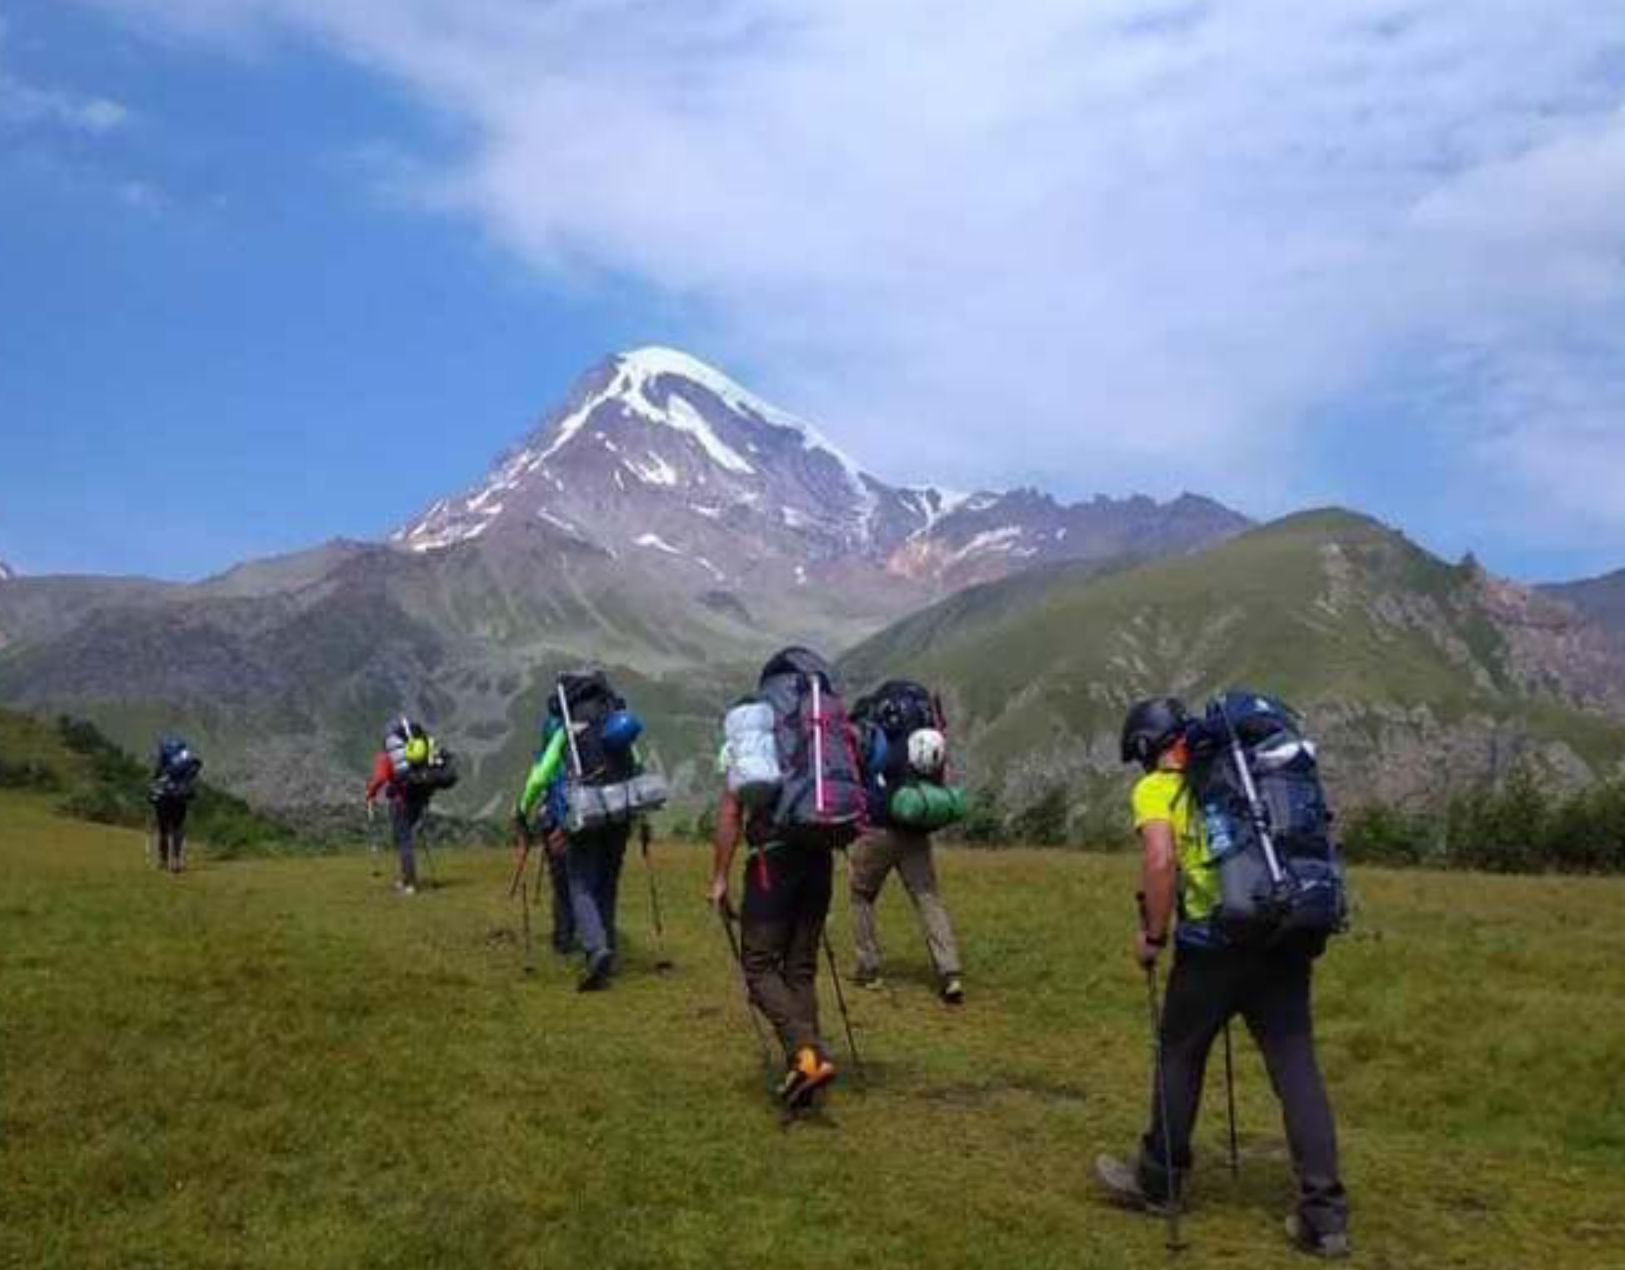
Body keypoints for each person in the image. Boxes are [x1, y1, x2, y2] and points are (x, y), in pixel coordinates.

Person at [1095, 697, 1351, 1259]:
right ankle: (1325, 1215)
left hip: (1212, 946)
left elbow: (1161, 861)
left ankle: (1159, 1182)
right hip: (1283, 940)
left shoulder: (1158, 790)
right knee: (1296, 1067)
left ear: (1144, 749)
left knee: (1181, 1054)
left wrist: (1153, 937)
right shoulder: (1246, 781)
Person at [710, 647, 865, 1108]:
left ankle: (806, 1054)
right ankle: (808, 1066)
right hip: (821, 849)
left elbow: (732, 808)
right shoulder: (823, 725)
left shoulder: (756, 729)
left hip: (773, 859)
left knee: (758, 965)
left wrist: (718, 876)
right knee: (800, 967)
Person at [515, 671, 653, 991]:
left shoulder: (569, 727)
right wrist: (643, 822)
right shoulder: (614, 723)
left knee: (581, 883)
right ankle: (609, 948)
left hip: (586, 812)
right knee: (608, 882)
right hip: (620, 814)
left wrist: (523, 809)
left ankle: (596, 948)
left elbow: (540, 776)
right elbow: (637, 767)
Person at [848, 683, 964, 1002]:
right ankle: (950, 972)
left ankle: (868, 969)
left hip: (878, 831)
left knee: (861, 896)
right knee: (928, 899)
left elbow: (862, 777)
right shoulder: (922, 742)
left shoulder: (878, 741)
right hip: (916, 831)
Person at [365, 720, 436, 895]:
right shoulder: (414, 753)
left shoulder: (386, 756)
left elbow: (381, 778)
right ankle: (405, 878)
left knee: (403, 842)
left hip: (400, 802)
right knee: (407, 839)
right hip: (418, 800)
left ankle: (409, 884)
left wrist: (370, 792)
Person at [149, 736, 201, 874]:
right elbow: (193, 771)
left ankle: (163, 860)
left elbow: (157, 775)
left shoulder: (165, 758)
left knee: (163, 830)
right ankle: (177, 860)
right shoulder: (185, 758)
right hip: (180, 797)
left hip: (164, 797)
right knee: (178, 827)